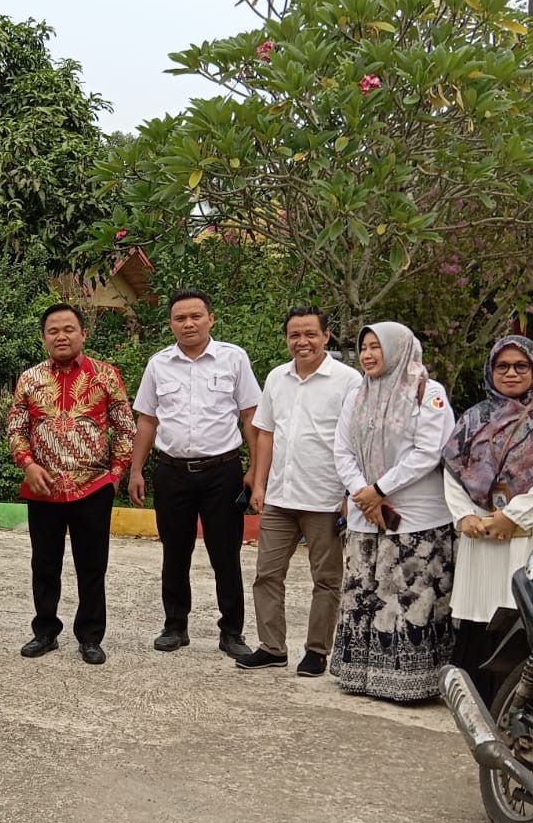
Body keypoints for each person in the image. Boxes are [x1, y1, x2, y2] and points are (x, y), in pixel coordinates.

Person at [442, 335, 533, 701]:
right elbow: (452, 469)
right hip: (482, 531)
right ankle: (478, 697)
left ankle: (531, 702)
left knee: (529, 609)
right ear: (490, 370)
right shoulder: (473, 418)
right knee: (483, 610)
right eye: (502, 366)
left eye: (520, 366)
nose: (511, 373)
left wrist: (514, 516)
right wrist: (463, 517)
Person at [128, 289, 262, 658]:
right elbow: (147, 420)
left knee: (225, 554)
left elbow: (251, 416)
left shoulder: (233, 359)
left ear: (210, 319)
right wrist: (136, 469)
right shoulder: (159, 364)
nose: (188, 324)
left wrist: (255, 471)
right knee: (175, 552)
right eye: (179, 318)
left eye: (195, 316)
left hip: (223, 471)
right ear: (171, 323)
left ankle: (232, 631)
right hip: (172, 473)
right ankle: (175, 625)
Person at [330, 322, 457, 701]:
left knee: (409, 596)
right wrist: (361, 492)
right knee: (364, 594)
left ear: (399, 349)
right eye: (364, 347)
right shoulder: (357, 393)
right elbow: (342, 450)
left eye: (376, 347)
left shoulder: (427, 393)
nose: (368, 355)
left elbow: (429, 452)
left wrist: (378, 490)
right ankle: (362, 677)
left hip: (416, 519)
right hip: (365, 518)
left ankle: (412, 684)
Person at [7, 303, 135, 665]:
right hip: (43, 487)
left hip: (93, 487)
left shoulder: (106, 375)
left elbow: (126, 427)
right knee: (44, 564)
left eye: (68, 329)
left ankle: (91, 637)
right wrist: (28, 465)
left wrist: (115, 476)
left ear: (82, 333)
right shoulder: (29, 379)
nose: (61, 336)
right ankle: (45, 632)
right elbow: (16, 429)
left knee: (92, 566)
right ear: (44, 337)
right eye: (53, 331)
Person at [238, 306, 363, 677]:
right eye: (295, 335)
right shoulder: (277, 378)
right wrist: (259, 484)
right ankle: (272, 647)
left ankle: (316, 650)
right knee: (266, 575)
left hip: (325, 497)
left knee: (325, 579)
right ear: (287, 339)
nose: (302, 342)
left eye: (310, 334)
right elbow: (266, 433)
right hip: (280, 496)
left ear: (326, 336)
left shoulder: (348, 380)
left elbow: (354, 440)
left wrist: (347, 493)